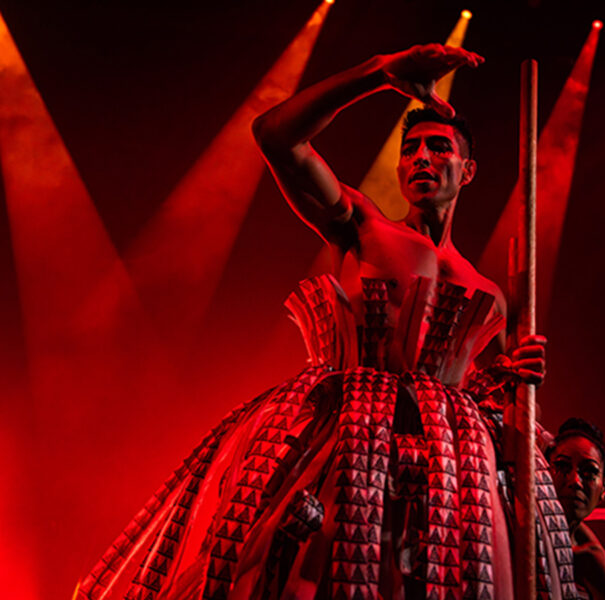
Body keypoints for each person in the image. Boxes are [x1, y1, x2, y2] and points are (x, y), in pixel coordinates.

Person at [77, 44, 574, 600]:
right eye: (410, 150)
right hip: (342, 442)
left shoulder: (489, 295)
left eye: (439, 148)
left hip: (441, 471)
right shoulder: (363, 226)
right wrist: (377, 75)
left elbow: (497, 401)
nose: (421, 160)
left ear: (469, 170)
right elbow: (275, 137)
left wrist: (516, 373)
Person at [546, 418, 605, 600]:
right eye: (562, 466)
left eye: (589, 472)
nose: (575, 482)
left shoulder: (592, 560)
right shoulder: (519, 532)